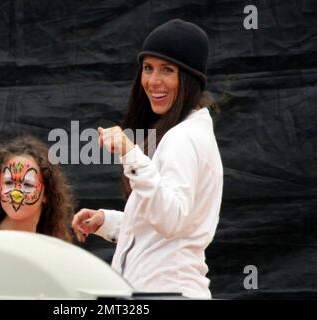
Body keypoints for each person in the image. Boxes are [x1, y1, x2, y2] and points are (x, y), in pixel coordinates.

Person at [72, 19, 223, 299]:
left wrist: (132, 154)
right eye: (148, 68)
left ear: (189, 79)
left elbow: (172, 219)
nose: (153, 81)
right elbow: (163, 228)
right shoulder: (187, 133)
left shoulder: (183, 138)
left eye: (167, 70)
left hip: (165, 294)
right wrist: (107, 221)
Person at [0, 135, 74, 242]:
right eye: (9, 183)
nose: (16, 193)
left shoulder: (50, 249)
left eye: (28, 185)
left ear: (46, 194)